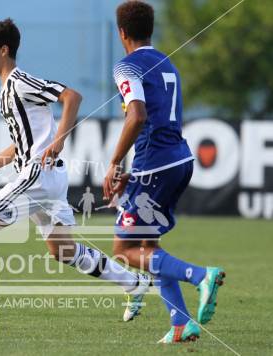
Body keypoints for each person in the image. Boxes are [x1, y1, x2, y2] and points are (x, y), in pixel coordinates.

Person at [0, 18, 150, 329]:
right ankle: (134, 284)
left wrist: (60, 138)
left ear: (4, 49)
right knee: (62, 250)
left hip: (37, 176)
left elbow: (72, 97)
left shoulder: (20, 82)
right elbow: (20, 145)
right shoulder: (4, 92)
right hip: (48, 177)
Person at [104, 1, 226, 343]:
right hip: (177, 160)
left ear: (122, 32)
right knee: (148, 246)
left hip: (156, 164)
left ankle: (201, 275)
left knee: (124, 250)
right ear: (150, 30)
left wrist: (114, 162)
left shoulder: (126, 66)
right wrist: (134, 172)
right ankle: (180, 323)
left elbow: (138, 115)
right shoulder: (167, 63)